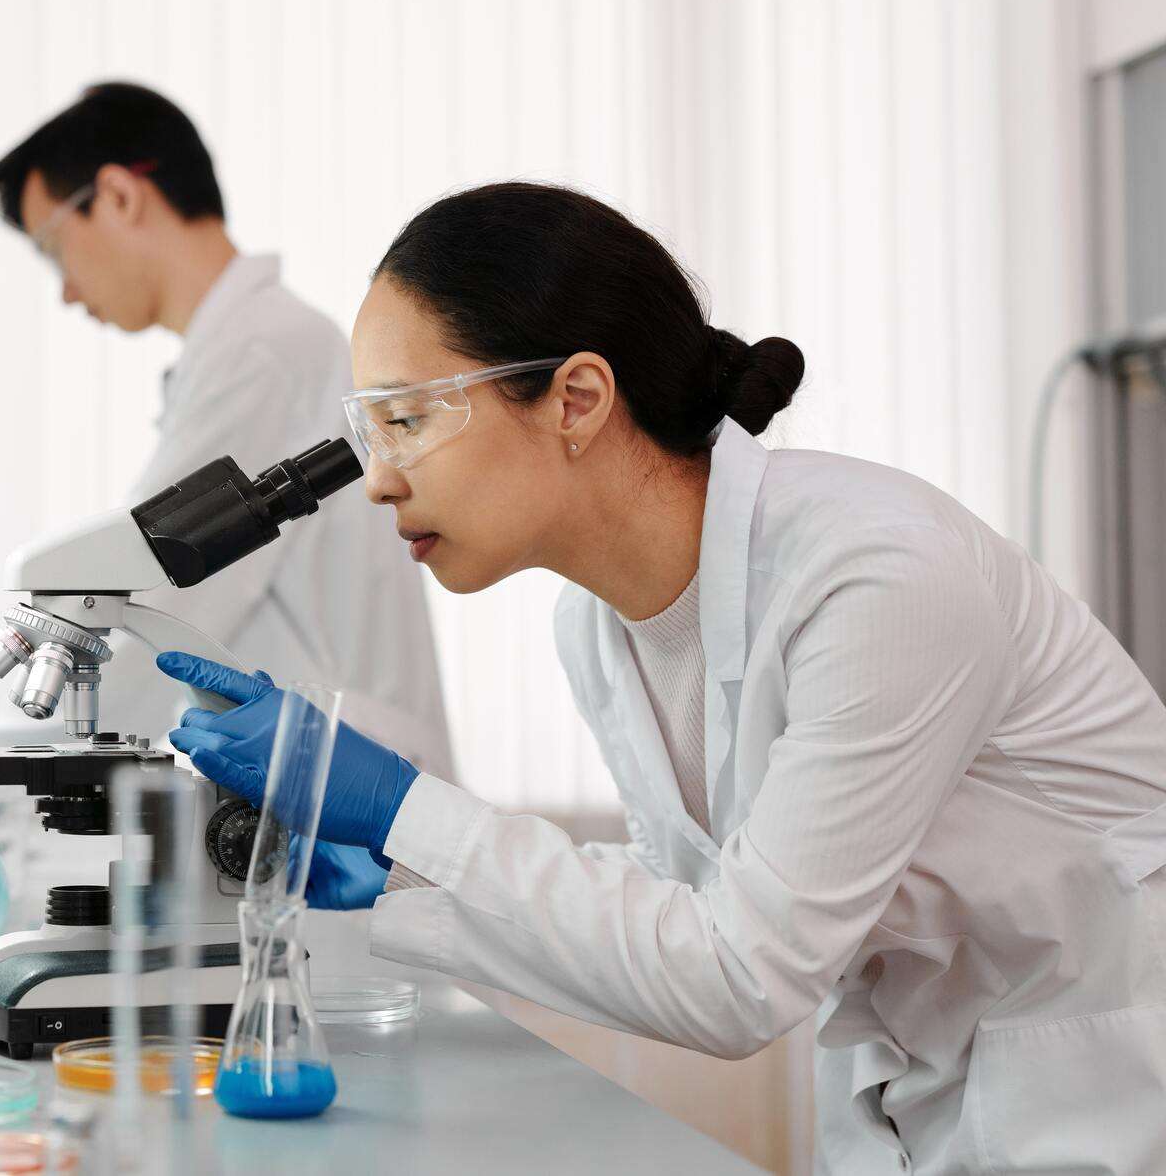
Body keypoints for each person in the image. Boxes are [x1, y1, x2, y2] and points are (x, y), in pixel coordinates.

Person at [160, 182, 1166, 1173]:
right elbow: (687, 903)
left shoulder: (877, 577)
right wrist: (408, 877)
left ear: (577, 399)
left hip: (1102, 1096)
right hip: (918, 1104)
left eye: (408, 421)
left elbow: (739, 974)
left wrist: (405, 808)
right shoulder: (595, 626)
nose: (376, 479)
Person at [0, 81, 451, 776]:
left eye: (55, 249)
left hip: (354, 791)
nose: (67, 291)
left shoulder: (263, 353)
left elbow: (154, 587)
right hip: (322, 777)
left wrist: (0, 763)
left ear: (117, 195)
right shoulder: (249, 349)